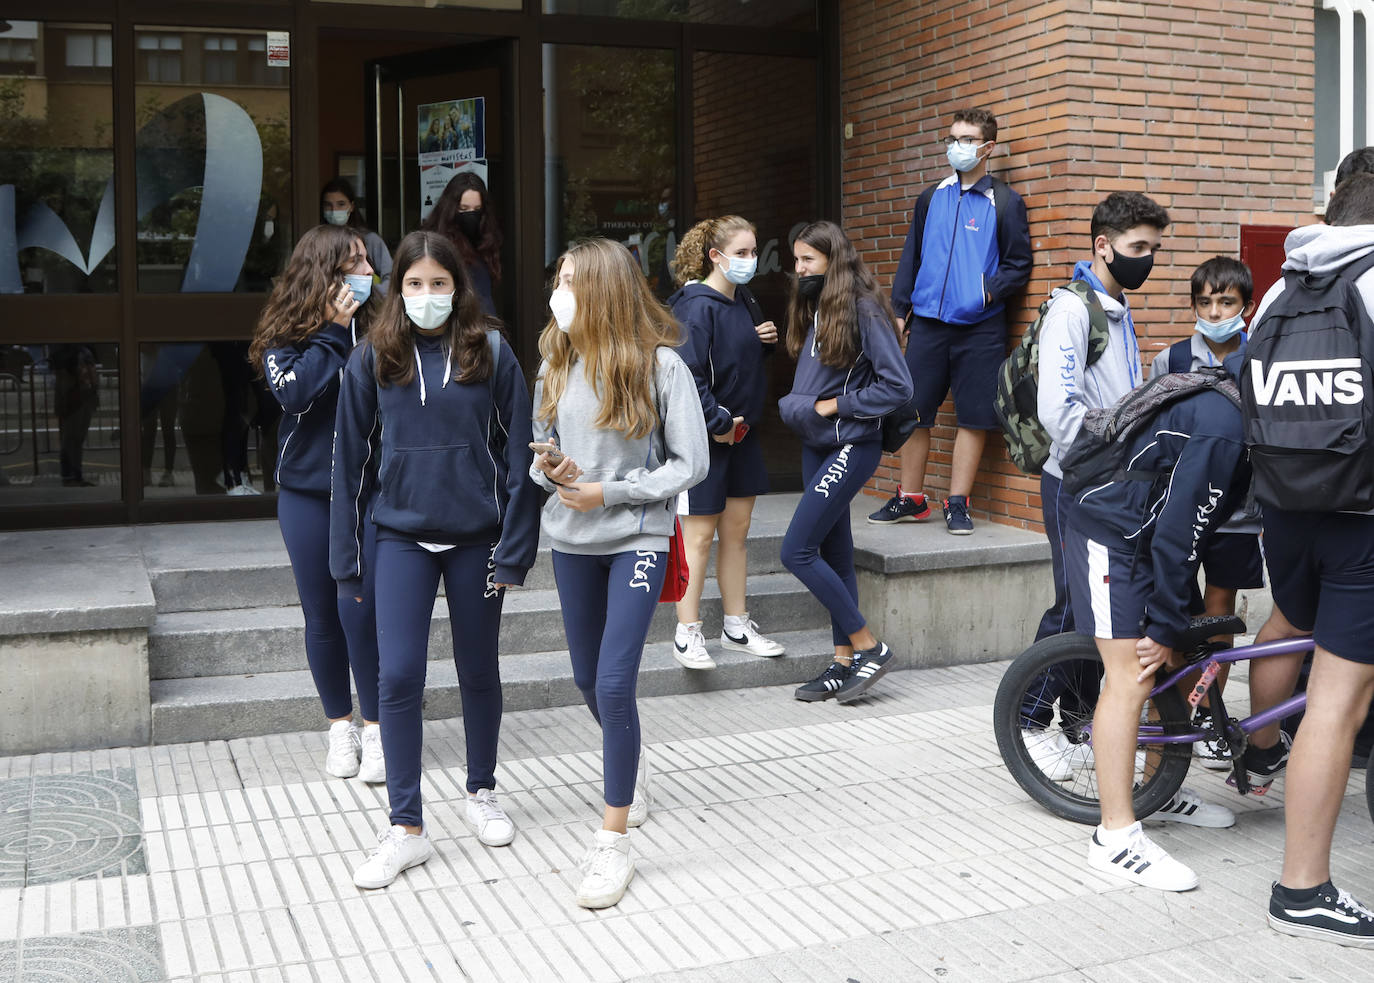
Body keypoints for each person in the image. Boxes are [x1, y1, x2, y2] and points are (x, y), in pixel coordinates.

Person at [331, 230, 539, 891]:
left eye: (439, 283)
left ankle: (481, 791)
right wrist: (348, 560)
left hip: (476, 537)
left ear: (459, 287)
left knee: (478, 670)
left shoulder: (494, 350)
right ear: (399, 289)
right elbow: (350, 464)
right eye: (414, 284)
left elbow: (519, 456)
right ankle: (405, 828)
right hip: (399, 537)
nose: (427, 296)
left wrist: (515, 546)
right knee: (397, 678)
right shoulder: (373, 357)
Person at [529, 238, 709, 909]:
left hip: (637, 534)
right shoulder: (555, 359)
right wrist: (552, 467)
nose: (560, 290)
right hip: (570, 536)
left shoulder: (661, 366)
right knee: (587, 677)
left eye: (573, 278)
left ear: (605, 287)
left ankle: (612, 844)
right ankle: (629, 761)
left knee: (612, 678)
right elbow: (537, 445)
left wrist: (611, 490)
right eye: (559, 277)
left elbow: (690, 464)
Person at [1238, 173, 1374, 945]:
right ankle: (1303, 887)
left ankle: (1260, 754)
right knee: (1339, 700)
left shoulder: (1282, 290)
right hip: (1362, 521)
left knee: (1290, 625)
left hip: (1287, 513)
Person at [1064, 357, 1251, 892]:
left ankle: (1158, 793)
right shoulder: (1227, 426)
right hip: (1110, 525)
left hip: (1141, 525)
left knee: (1172, 655)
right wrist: (1166, 623)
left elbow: (1186, 523)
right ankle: (1115, 836)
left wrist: (1172, 620)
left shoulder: (1232, 404)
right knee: (1133, 673)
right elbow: (1178, 532)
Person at [1017, 193, 1170, 775]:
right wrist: (1110, 460)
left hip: (1111, 483)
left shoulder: (1115, 305)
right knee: (1068, 606)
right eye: (1138, 247)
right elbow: (1061, 411)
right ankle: (1029, 725)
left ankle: (1078, 722)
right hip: (1076, 480)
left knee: (1093, 613)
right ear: (1102, 245)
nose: (1148, 259)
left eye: (1154, 248)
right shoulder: (1072, 311)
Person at [248, 224, 384, 783]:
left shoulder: (383, 325)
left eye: (368, 264)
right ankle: (340, 727)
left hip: (372, 493)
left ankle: (379, 730)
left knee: (364, 610)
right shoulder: (289, 336)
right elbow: (296, 392)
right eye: (355, 263)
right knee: (321, 614)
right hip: (307, 493)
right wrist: (332, 330)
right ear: (324, 273)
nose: (368, 273)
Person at [869, 107, 1032, 535]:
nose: (956, 147)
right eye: (952, 139)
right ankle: (911, 498)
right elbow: (912, 256)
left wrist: (984, 294)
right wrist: (900, 311)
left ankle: (957, 503)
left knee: (975, 417)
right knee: (912, 410)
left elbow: (1018, 264)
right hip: (927, 322)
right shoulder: (931, 197)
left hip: (980, 326)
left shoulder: (1007, 202)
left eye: (966, 139)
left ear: (987, 147)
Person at [780, 220, 913, 703]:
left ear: (832, 261)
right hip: (816, 443)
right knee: (834, 554)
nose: (799, 270)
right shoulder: (820, 307)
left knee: (795, 551)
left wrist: (835, 405)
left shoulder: (864, 307)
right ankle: (843, 663)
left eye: (808, 261)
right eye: (796, 261)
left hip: (851, 443)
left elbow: (898, 385)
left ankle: (868, 646)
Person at [1146, 256, 1261, 769]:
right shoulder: (1170, 360)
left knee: (1219, 615)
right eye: (1205, 302)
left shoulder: (1261, 357)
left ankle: (1209, 715)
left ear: (1247, 306)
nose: (1215, 312)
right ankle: (1170, 719)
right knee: (1176, 614)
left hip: (1237, 513)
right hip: (1179, 510)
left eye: (1226, 302)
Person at [665, 216, 785, 669]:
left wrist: (764, 342)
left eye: (754, 252)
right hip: (707, 440)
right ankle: (686, 633)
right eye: (741, 253)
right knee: (697, 537)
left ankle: (736, 626)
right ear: (714, 256)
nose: (750, 261)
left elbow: (736, 357)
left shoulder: (746, 299)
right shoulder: (695, 306)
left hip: (743, 436)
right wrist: (716, 421)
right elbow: (687, 373)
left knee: (736, 533)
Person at [420, 172, 502, 317]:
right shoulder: (437, 247)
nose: (471, 215)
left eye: (477, 210)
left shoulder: (485, 243)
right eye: (463, 209)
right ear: (450, 209)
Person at [321, 178, 393, 297]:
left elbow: (391, 277)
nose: (334, 210)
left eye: (341, 204)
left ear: (352, 206)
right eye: (328, 205)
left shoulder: (370, 240)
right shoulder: (319, 242)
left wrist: (368, 295)